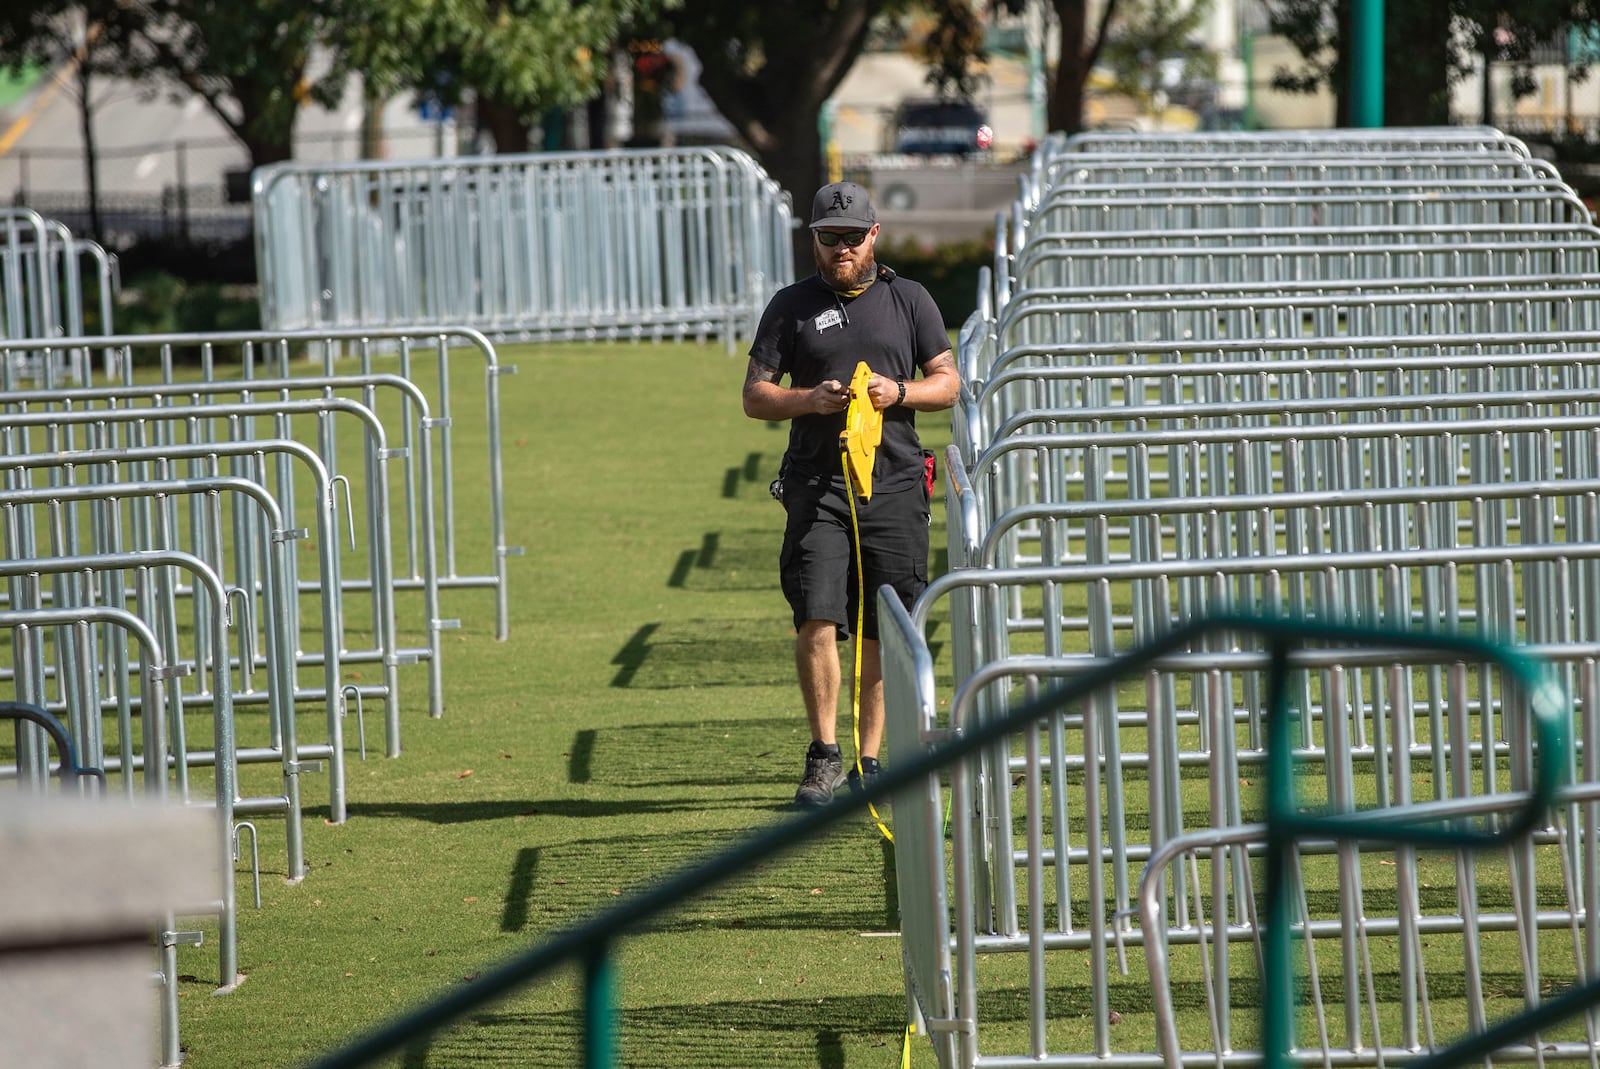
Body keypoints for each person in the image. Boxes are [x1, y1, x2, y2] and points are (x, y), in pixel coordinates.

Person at [742, 180, 960, 808]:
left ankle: (869, 760)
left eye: (851, 237)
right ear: (813, 239)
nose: (840, 249)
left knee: (881, 626)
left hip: (892, 483)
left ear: (873, 236)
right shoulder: (790, 305)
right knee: (817, 616)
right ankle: (823, 757)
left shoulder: (909, 299)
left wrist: (900, 393)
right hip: (817, 485)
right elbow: (755, 395)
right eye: (827, 237)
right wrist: (808, 401)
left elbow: (946, 383)